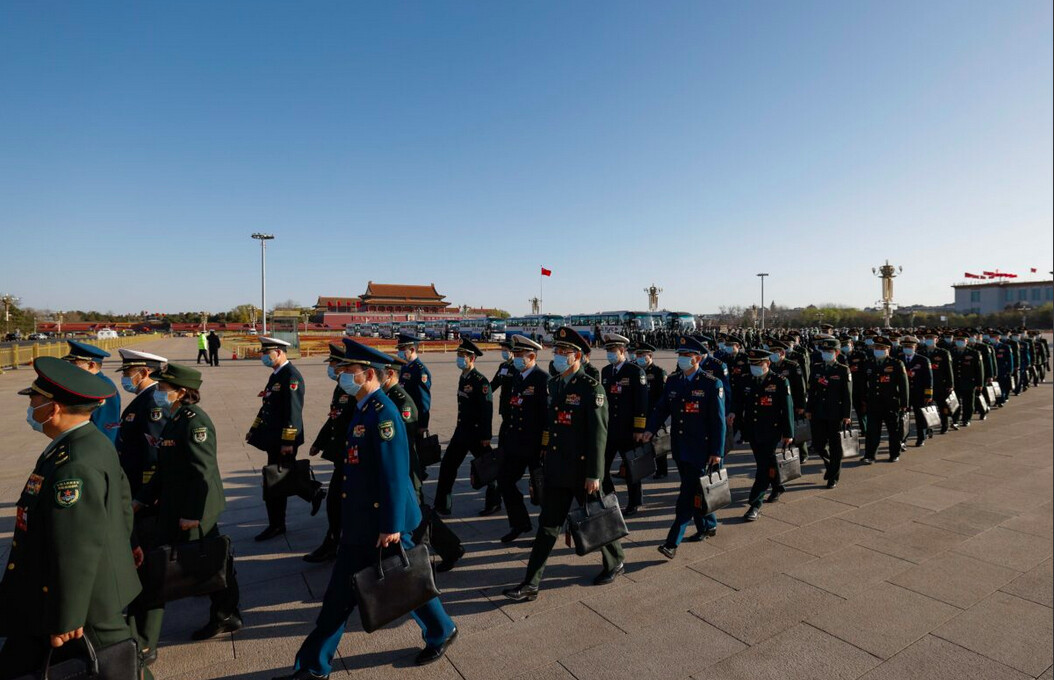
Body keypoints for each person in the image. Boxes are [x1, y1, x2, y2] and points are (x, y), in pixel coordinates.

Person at [272, 343, 458, 680]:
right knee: (395, 584)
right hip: (364, 519)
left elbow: (394, 475)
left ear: (368, 374)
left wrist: (391, 525)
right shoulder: (363, 407)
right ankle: (442, 629)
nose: (341, 376)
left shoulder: (384, 413)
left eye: (346, 371)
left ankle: (313, 668)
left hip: (381, 522)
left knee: (371, 589)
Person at [0, 357, 141, 678]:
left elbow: (76, 547)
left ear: (53, 409)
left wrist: (67, 617)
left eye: (34, 400)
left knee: (114, 663)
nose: (30, 408)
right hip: (70, 592)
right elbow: (119, 505)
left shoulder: (74, 464)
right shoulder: (86, 442)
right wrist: (129, 543)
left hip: (80, 600)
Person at [503, 327, 625, 603]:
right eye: (556, 351)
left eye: (563, 352)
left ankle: (615, 559)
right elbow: (552, 426)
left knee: (596, 520)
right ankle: (531, 583)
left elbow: (598, 436)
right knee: (547, 526)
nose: (557, 356)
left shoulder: (592, 388)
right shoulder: (556, 384)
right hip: (558, 469)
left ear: (577, 356)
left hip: (582, 471)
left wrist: (595, 473)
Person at [133, 363, 242, 644]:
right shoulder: (176, 417)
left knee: (210, 564)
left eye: (162, 388)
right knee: (206, 563)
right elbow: (165, 467)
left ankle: (225, 615)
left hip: (193, 508)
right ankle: (226, 612)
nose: (158, 392)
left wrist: (194, 514)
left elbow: (202, 472)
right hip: (175, 504)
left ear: (181, 392)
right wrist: (141, 499)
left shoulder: (195, 421)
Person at [643, 335, 725, 557]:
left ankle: (672, 542)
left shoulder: (711, 383)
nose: (681, 359)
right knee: (696, 489)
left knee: (686, 496)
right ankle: (708, 525)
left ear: (697, 358)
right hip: (680, 448)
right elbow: (661, 408)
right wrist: (650, 428)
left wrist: (717, 451)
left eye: (686, 356)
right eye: (680, 355)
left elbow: (719, 422)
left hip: (701, 450)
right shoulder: (674, 380)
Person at [113, 349, 170, 662]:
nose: (125, 377)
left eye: (129, 371)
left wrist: (143, 498)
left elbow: (153, 458)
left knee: (148, 569)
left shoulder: (151, 405)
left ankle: (145, 642)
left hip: (144, 497)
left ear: (144, 372)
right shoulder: (143, 401)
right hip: (135, 491)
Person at [246, 337, 324, 541]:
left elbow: (293, 413)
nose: (263, 357)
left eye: (266, 353)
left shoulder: (291, 377)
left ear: (279, 352)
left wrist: (288, 442)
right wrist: (253, 429)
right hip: (273, 438)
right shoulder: (277, 375)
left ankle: (277, 524)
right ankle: (312, 492)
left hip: (283, 441)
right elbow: (268, 406)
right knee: (282, 478)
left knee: (274, 483)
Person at [434, 338, 499, 516]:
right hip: (462, 431)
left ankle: (494, 502)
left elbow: (487, 409)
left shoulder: (480, 381)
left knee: (488, 469)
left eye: (463, 355)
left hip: (477, 434)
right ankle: (442, 505)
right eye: (459, 355)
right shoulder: (463, 378)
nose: (460, 358)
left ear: (472, 358)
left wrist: (486, 435)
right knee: (447, 465)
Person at [304, 344, 356, 563]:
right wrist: (320, 442)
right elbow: (334, 417)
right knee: (337, 501)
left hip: (350, 456)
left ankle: (334, 542)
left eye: (334, 364)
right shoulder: (340, 387)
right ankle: (336, 540)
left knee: (336, 501)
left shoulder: (351, 388)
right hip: (341, 454)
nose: (332, 369)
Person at [496, 335, 549, 543]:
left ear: (532, 356)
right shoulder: (518, 377)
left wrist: (545, 442)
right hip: (516, 443)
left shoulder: (541, 379)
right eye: (515, 354)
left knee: (541, 489)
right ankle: (520, 523)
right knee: (505, 482)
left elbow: (546, 416)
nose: (516, 358)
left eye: (520, 355)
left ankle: (547, 529)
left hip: (535, 445)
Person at [738, 348, 794, 521]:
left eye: (758, 364)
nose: (754, 367)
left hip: (772, 430)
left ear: (767, 364)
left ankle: (755, 504)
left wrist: (788, 433)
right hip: (752, 430)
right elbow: (738, 402)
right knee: (766, 462)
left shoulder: (779, 381)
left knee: (762, 467)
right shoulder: (746, 379)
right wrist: (733, 414)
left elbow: (787, 409)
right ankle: (777, 486)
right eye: (752, 364)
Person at [599, 333, 648, 515]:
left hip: (629, 431)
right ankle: (611, 499)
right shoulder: (605, 372)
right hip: (610, 430)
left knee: (631, 469)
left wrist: (639, 428)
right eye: (608, 351)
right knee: (602, 469)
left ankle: (634, 502)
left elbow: (641, 403)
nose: (610, 354)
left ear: (622, 351)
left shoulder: (635, 372)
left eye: (612, 351)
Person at [805, 339, 853, 489]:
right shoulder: (817, 367)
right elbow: (812, 391)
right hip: (818, 412)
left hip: (835, 413)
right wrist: (808, 409)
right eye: (824, 351)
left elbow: (847, 394)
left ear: (837, 353)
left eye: (829, 352)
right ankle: (829, 464)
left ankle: (833, 476)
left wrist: (847, 415)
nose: (826, 354)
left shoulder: (843, 369)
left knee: (835, 446)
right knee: (819, 445)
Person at [62, 340, 121, 445]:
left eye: (74, 363)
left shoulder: (103, 388)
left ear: (91, 365)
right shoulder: (86, 384)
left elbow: (105, 428)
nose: (70, 367)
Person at [863, 337, 910, 462]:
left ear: (888, 349)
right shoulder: (868, 363)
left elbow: (904, 385)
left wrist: (904, 404)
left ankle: (894, 453)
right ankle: (870, 455)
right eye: (876, 348)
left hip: (891, 403)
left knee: (894, 430)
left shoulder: (896, 363)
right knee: (872, 431)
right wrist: (864, 400)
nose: (878, 350)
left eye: (881, 348)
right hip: (874, 402)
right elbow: (863, 384)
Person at [633, 341, 669, 478]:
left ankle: (662, 470)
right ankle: (641, 469)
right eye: (637, 354)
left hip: (654, 413)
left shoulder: (658, 372)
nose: (639, 357)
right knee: (639, 444)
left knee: (658, 444)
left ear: (650, 355)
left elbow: (663, 396)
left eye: (642, 354)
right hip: (639, 414)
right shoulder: (635, 370)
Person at [900, 336, 934, 447]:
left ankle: (921, 437)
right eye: (905, 346)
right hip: (904, 394)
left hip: (919, 393)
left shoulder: (923, 360)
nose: (908, 348)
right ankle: (903, 439)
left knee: (920, 417)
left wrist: (928, 394)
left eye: (910, 346)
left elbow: (929, 379)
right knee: (904, 417)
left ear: (915, 347)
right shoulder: (898, 359)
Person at [396, 333, 433, 432]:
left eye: (402, 349)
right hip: (403, 417)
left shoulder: (420, 371)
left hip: (413, 419)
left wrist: (423, 424)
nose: (398, 352)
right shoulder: (404, 367)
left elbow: (424, 400)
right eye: (399, 349)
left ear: (412, 350)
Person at [951, 331, 984, 427]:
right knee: (955, 402)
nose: (960, 341)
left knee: (968, 403)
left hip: (969, 381)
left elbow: (979, 369)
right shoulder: (951, 352)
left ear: (967, 341)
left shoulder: (974, 353)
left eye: (962, 340)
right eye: (958, 339)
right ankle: (955, 419)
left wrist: (979, 383)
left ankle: (966, 419)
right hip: (955, 382)